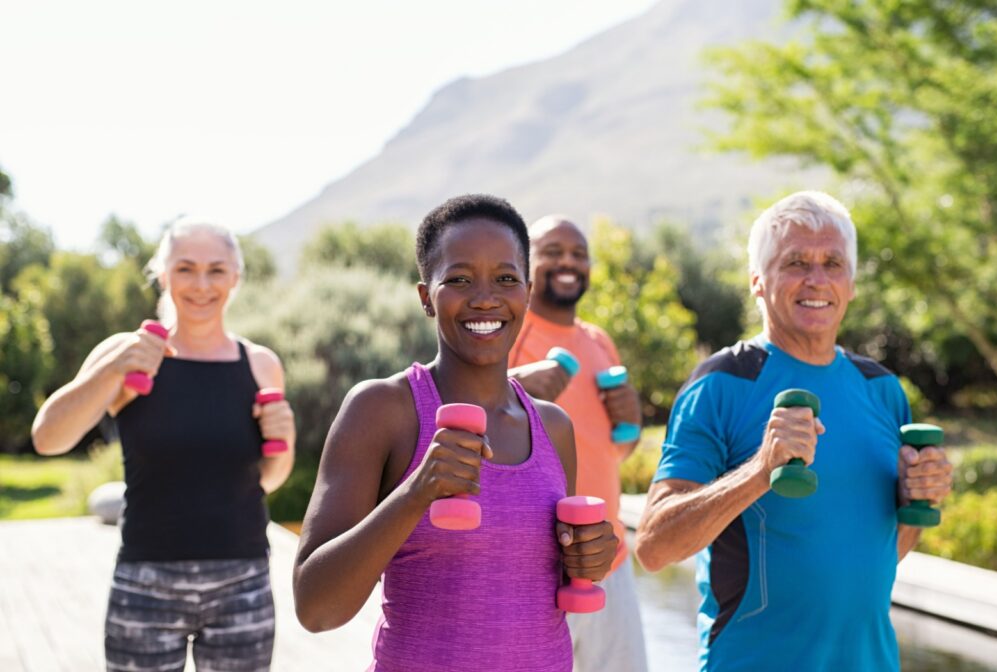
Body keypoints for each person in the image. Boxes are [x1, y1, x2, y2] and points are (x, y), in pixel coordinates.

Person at [292, 194, 618, 672]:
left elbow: (533, 582)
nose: (485, 297)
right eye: (459, 279)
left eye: (506, 279)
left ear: (527, 291)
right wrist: (416, 491)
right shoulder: (383, 409)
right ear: (427, 297)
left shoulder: (553, 426)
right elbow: (316, 609)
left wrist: (591, 557)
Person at [635, 191, 953, 671]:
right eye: (796, 262)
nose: (817, 279)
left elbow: (880, 552)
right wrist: (760, 472)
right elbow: (655, 547)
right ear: (758, 282)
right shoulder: (722, 384)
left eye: (833, 263)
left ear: (850, 282)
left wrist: (915, 500)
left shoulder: (883, 390)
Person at [31, 217, 295, 672]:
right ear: (163, 274)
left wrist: (284, 440)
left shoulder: (260, 364)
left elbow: (267, 479)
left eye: (216, 270)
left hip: (242, 582)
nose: (201, 285)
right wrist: (112, 369)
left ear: (235, 277)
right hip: (146, 581)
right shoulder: (127, 352)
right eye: (186, 269)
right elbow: (48, 439)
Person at [508, 215, 648, 672]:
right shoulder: (508, 332)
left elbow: (613, 452)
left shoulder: (598, 341)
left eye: (578, 254)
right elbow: (466, 421)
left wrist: (632, 422)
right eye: (553, 252)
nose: (568, 262)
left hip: (611, 561)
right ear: (527, 263)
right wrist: (514, 388)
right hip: (535, 569)